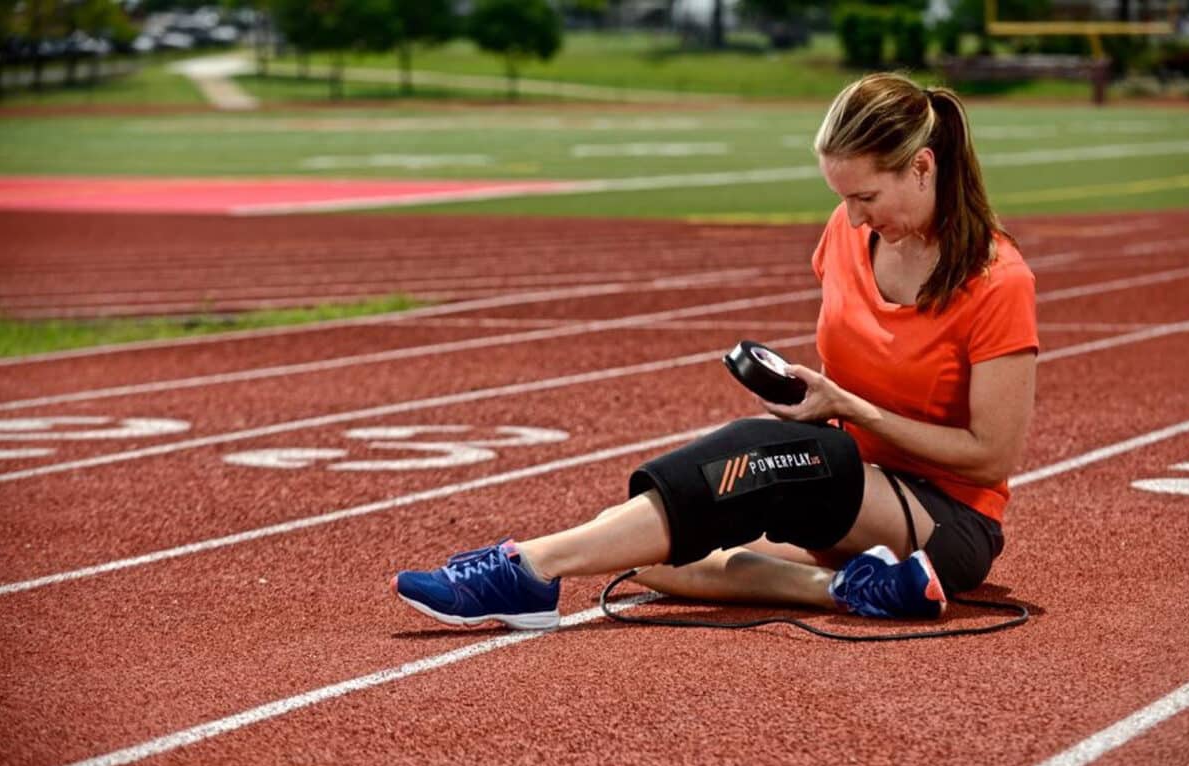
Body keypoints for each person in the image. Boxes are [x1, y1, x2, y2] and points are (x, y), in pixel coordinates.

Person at [390, 72, 1039, 630]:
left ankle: (528, 567)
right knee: (645, 552)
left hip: (943, 523)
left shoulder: (997, 279)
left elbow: (991, 457)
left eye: (866, 197)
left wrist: (851, 409)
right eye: (842, 199)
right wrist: (814, 398)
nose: (853, 218)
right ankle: (852, 587)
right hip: (843, 492)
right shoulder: (846, 237)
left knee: (768, 455)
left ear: (922, 167)